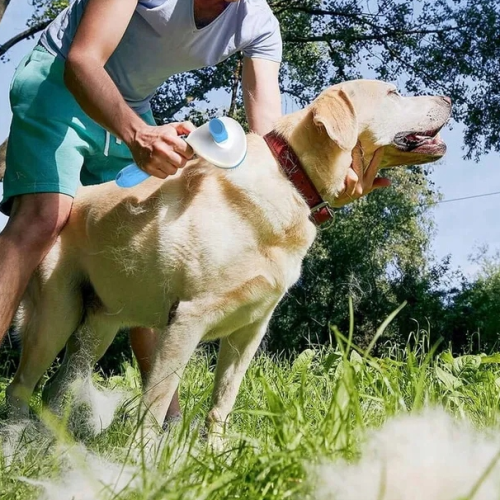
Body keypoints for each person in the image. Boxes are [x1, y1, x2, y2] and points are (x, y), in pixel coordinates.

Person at [0, 0, 389, 418]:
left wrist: (328, 185)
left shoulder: (258, 24)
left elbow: (272, 147)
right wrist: (138, 135)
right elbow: (83, 60)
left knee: (147, 238)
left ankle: (168, 428)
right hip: (60, 80)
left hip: (131, 103)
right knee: (44, 219)